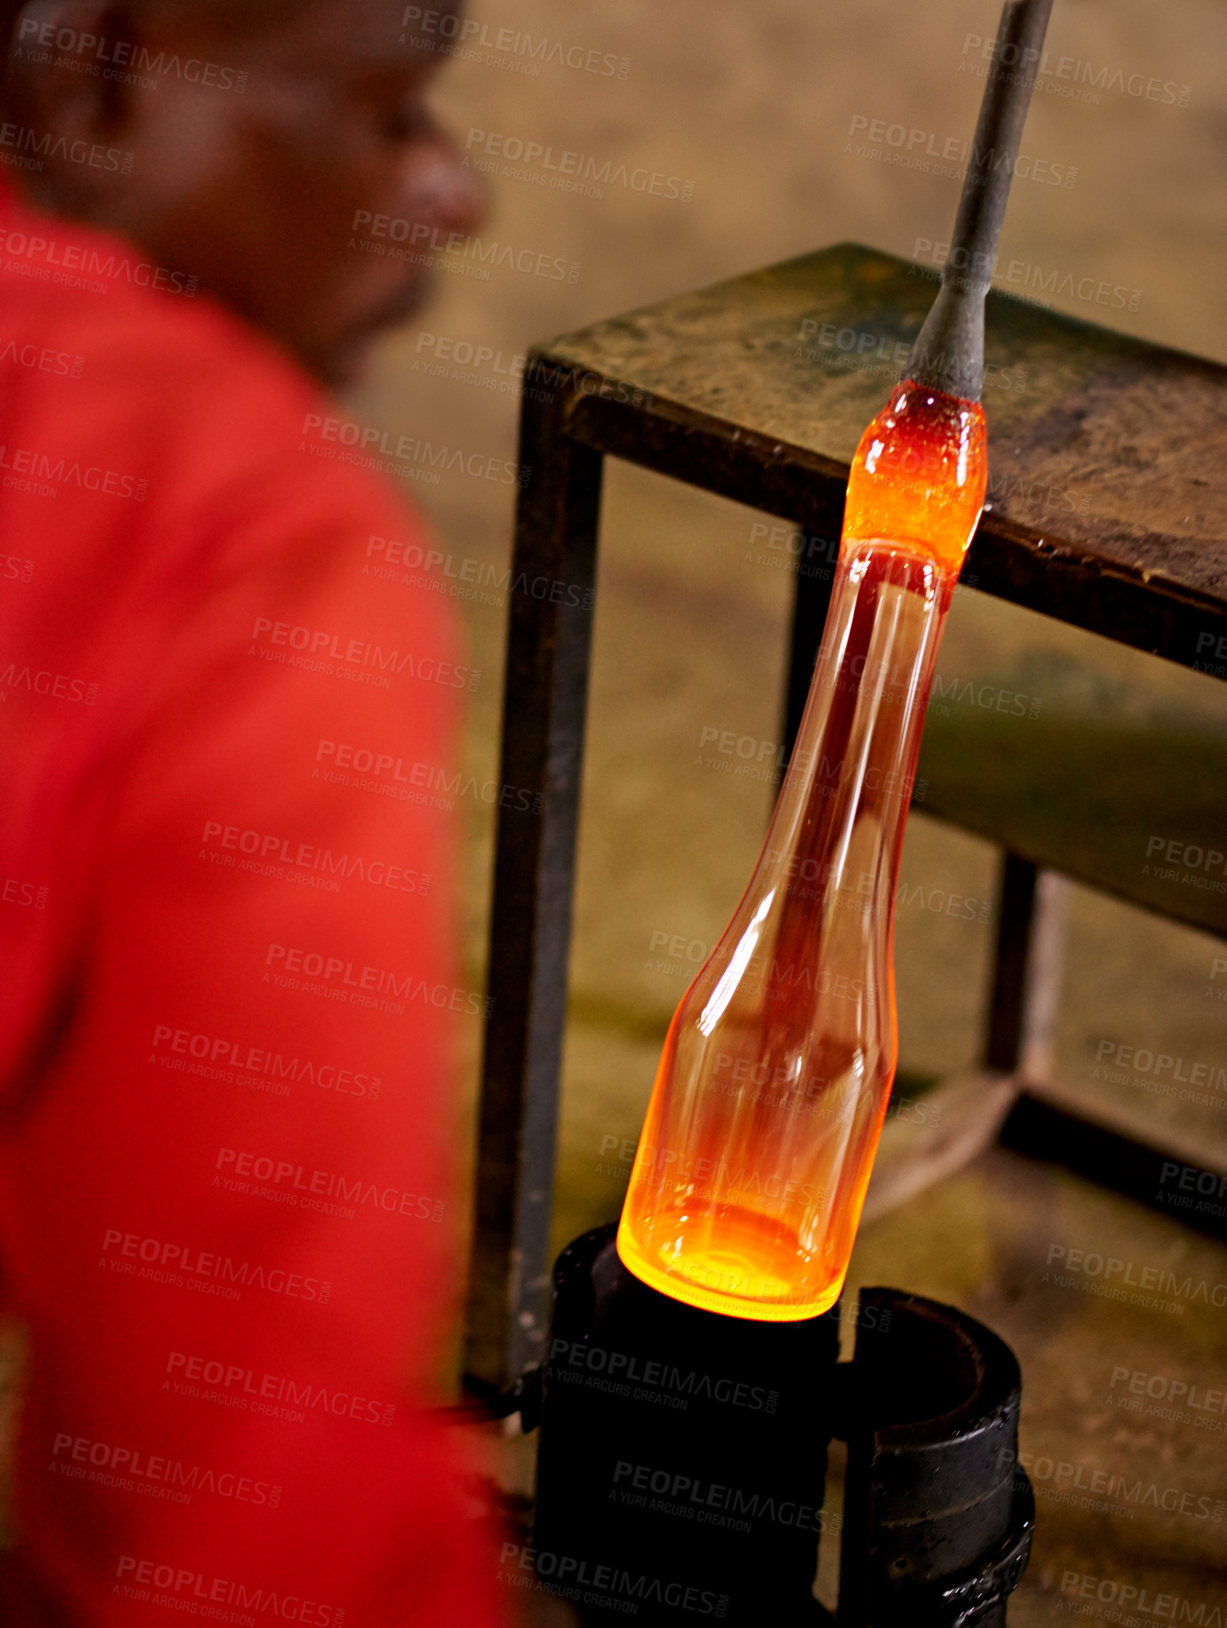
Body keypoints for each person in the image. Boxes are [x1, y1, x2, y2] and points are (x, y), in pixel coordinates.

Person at [0, 1, 508, 1621]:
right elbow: (241, 1517)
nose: (454, 193)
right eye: (390, 111)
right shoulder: (238, 542)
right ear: (91, 71)